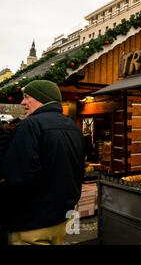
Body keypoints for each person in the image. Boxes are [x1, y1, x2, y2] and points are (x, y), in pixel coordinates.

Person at [0, 80, 85, 245]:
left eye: (27, 97)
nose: (22, 102)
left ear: (41, 98)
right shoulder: (73, 127)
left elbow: (18, 176)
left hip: (32, 223)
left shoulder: (30, 125)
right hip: (61, 219)